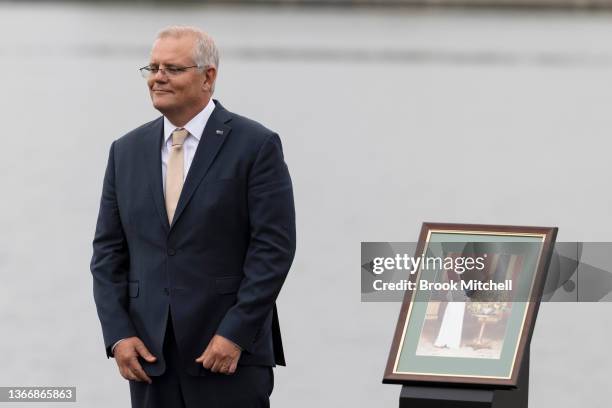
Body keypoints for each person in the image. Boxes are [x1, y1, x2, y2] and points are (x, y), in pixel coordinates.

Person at [90, 25, 296, 408]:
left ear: (208, 77)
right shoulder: (125, 151)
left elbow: (273, 251)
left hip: (227, 356)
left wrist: (235, 335)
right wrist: (118, 336)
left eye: (172, 68)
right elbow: (107, 254)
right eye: (152, 68)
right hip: (150, 359)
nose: (158, 78)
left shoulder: (256, 146)